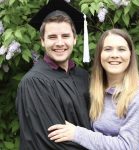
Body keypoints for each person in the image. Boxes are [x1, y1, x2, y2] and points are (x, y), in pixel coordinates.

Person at [48, 28, 139, 150]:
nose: (114, 55)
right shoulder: (97, 89)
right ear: (100, 55)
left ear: (130, 55)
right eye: (108, 49)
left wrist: (77, 133)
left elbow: (127, 147)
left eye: (121, 49)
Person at [15, 0, 91, 149]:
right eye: (52, 37)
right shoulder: (34, 83)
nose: (60, 43)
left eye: (65, 36)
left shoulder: (83, 76)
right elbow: (52, 143)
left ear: (74, 39)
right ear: (42, 41)